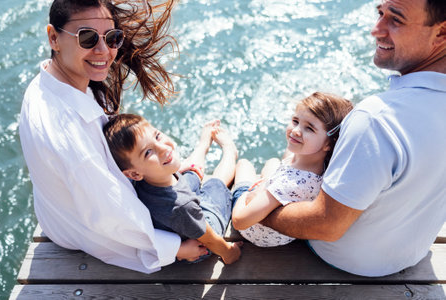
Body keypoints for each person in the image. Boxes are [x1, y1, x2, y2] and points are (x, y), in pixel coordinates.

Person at [253, 0, 446, 276]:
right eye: (380, 13)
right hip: (410, 253)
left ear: (441, 33)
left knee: (265, 173)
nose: (376, 30)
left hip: (346, 263)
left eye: (396, 20)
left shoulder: (376, 118)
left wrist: (258, 213)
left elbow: (325, 225)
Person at [18, 0, 208, 274]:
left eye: (112, 38)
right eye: (87, 38)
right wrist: (173, 248)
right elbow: (110, 215)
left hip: (59, 216)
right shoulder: (70, 137)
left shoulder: (46, 84)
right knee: (210, 210)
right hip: (82, 231)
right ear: (53, 38)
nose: (104, 50)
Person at [103, 114, 243, 264]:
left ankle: (202, 147)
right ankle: (230, 152)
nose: (163, 148)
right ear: (135, 174)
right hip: (198, 241)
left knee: (190, 171)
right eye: (148, 152)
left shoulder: (146, 178)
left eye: (157, 136)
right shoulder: (182, 206)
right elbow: (210, 239)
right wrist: (229, 253)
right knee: (216, 185)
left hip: (180, 210)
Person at [231, 93, 353, 247]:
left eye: (309, 128)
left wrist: (250, 192)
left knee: (243, 164)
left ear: (329, 144)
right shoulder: (323, 167)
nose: (296, 130)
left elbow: (239, 221)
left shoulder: (287, 183)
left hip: (254, 232)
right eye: (295, 121)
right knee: (273, 162)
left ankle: (232, 157)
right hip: (284, 235)